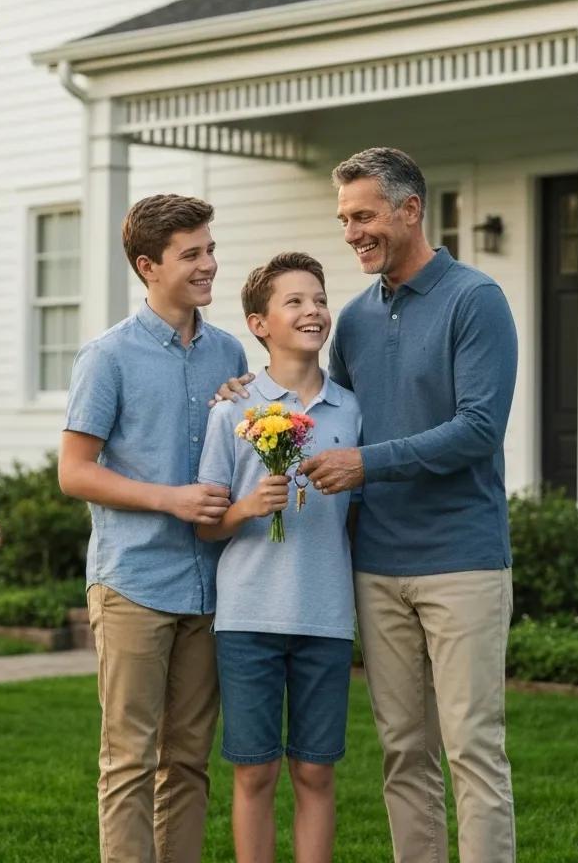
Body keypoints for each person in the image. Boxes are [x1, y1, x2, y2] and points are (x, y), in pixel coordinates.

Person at [215, 148, 518, 862]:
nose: (352, 232)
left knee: (472, 746)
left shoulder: (475, 301)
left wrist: (366, 465)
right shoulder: (350, 319)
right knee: (403, 752)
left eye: (364, 215)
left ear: (410, 210)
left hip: (461, 562)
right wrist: (244, 390)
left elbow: (478, 429)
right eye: (344, 218)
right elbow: (326, 410)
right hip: (376, 567)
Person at [58, 194, 248, 863]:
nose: (209, 265)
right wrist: (170, 499)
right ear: (148, 266)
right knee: (130, 760)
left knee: (190, 760)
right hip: (134, 582)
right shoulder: (108, 356)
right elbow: (75, 472)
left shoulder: (229, 352)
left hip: (208, 587)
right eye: (191, 254)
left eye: (211, 249)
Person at [196, 252, 360, 863]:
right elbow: (208, 528)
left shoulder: (352, 411)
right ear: (259, 323)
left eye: (318, 299)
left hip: (324, 617)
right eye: (294, 302)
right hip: (247, 621)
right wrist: (246, 508)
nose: (313, 310)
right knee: (254, 773)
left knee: (316, 774)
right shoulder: (232, 410)